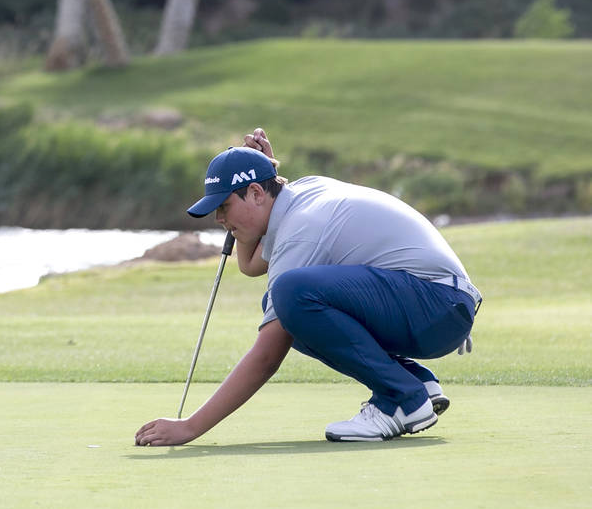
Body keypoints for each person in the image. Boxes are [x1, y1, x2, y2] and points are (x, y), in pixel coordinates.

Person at [135, 128, 482, 444]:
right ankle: (414, 383)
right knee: (284, 305)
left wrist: (190, 426)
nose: (219, 220)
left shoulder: (302, 226)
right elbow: (251, 265)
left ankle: (402, 400)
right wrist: (258, 181)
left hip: (434, 303)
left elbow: (268, 356)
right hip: (436, 306)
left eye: (224, 207)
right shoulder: (301, 194)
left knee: (289, 297)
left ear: (256, 192)